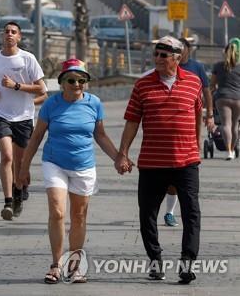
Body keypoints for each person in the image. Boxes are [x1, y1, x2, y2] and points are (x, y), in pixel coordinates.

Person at [18, 58, 123, 284]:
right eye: (72, 80)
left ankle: (74, 266)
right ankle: (56, 264)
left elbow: (101, 135)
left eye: (81, 80)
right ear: (62, 83)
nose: (77, 85)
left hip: (84, 166)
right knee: (57, 211)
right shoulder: (51, 104)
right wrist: (23, 168)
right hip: (54, 162)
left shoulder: (94, 103)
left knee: (79, 215)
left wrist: (118, 158)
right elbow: (36, 137)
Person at [115, 36, 202, 284]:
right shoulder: (142, 85)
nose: (158, 59)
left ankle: (187, 263)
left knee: (192, 213)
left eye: (164, 55)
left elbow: (197, 116)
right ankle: (155, 262)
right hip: (152, 163)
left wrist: (195, 147)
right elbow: (132, 121)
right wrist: (123, 153)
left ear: (177, 57)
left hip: (187, 162)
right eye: (156, 54)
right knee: (147, 215)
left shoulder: (193, 82)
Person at [0, 21, 47, 221]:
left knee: (20, 162)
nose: (9, 34)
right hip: (0, 113)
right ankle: (8, 201)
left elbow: (41, 89)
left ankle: (19, 192)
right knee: (7, 157)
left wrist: (16, 86)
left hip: (24, 116)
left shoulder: (28, 58)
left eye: (13, 32)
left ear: (19, 37)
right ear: (2, 36)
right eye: (6, 31)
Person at [159, 38, 215, 228]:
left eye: (182, 50)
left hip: (187, 130)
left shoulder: (197, 68)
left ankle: (172, 213)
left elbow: (206, 92)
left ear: (187, 51)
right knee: (167, 180)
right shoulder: (159, 71)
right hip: (165, 134)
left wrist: (209, 114)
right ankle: (167, 211)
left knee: (184, 182)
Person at [210, 37, 240, 160]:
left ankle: (228, 151)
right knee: (235, 125)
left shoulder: (218, 66)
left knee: (225, 124)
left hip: (222, 97)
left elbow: (212, 84)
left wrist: (213, 90)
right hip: (238, 98)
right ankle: (233, 149)